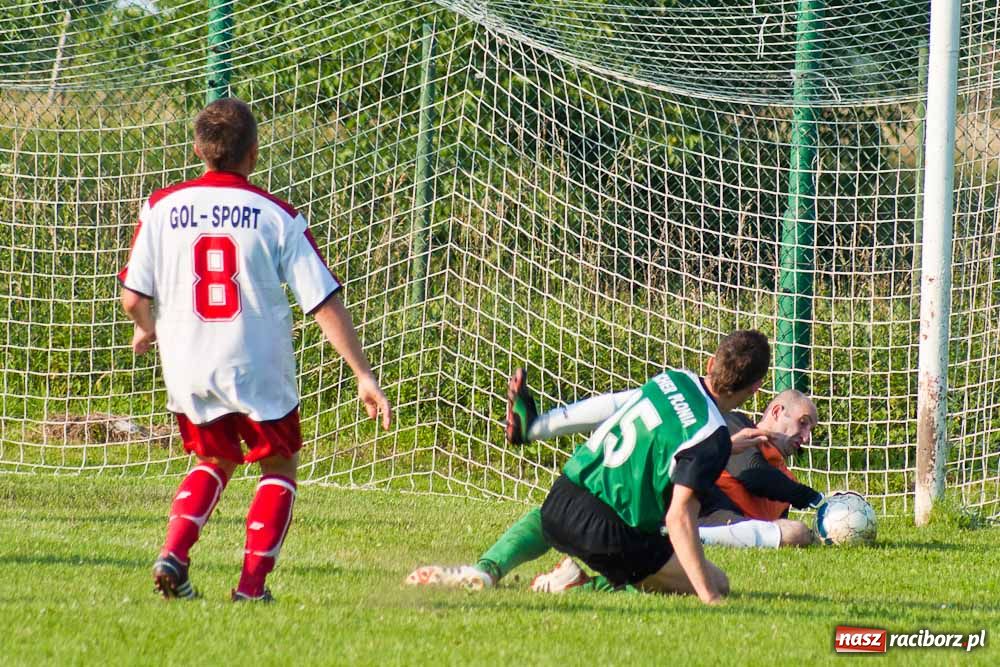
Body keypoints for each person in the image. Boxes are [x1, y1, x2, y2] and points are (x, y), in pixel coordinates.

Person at [119, 98, 391, 602]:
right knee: (279, 465)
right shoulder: (276, 215)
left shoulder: (161, 206)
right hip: (256, 366)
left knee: (212, 459)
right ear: (254, 152)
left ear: (199, 149)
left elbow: (133, 296)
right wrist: (362, 373)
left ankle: (174, 554)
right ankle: (250, 588)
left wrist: (145, 328)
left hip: (188, 365)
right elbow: (322, 299)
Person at [408, 330, 770, 604]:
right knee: (717, 580)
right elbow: (679, 517)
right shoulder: (713, 437)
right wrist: (709, 596)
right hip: (611, 535)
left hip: (562, 500)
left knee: (550, 517)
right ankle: (584, 580)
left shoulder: (669, 380)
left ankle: (485, 570)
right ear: (755, 388)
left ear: (710, 362)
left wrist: (538, 427)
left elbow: (609, 406)